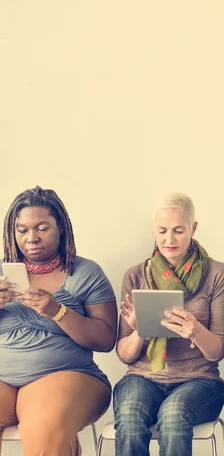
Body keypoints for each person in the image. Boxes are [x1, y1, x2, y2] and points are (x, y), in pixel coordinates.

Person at [112, 191, 224, 456]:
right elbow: (124, 354)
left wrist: (196, 331)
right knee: (130, 416)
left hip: (199, 381)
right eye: (162, 231)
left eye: (178, 230)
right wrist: (141, 331)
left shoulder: (217, 274)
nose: (169, 239)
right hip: (142, 377)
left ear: (193, 228)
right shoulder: (135, 276)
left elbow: (218, 350)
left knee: (174, 414)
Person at [0, 186, 117, 455]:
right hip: (3, 380)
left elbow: (106, 339)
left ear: (60, 227)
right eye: (22, 230)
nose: (31, 238)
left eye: (42, 228)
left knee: (45, 429)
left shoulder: (86, 273)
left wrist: (57, 311)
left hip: (66, 375)